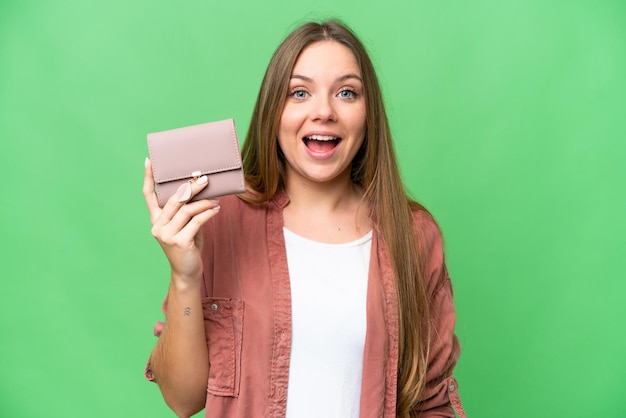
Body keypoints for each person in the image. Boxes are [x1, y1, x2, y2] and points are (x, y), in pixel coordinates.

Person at [143, 20, 466, 418]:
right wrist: (184, 275)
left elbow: (431, 404)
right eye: (299, 92)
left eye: (346, 92)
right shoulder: (219, 221)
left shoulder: (414, 235)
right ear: (273, 112)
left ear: (369, 115)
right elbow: (182, 399)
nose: (324, 111)